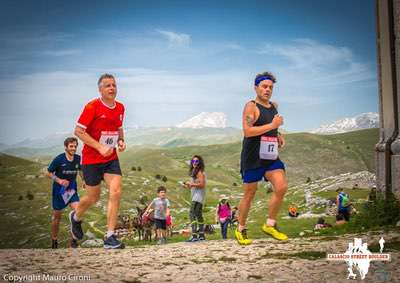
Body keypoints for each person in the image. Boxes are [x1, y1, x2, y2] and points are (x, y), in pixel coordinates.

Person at [70, 73, 126, 249]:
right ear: (100, 89)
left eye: (114, 85)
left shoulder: (120, 108)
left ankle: (109, 236)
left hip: (111, 158)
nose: (112, 88)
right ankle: (76, 217)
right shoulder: (92, 106)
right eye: (108, 85)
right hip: (92, 159)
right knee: (93, 197)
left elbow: (118, 128)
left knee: (116, 191)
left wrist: (121, 141)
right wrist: (99, 147)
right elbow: (78, 131)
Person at [236, 71, 288, 245]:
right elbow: (248, 131)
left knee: (281, 186)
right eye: (264, 86)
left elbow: (271, 126)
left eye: (271, 87)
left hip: (270, 156)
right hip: (252, 157)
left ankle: (270, 225)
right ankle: (241, 228)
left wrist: (278, 134)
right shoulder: (250, 107)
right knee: (249, 194)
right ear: (256, 87)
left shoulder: (274, 106)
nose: (267, 90)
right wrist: (273, 125)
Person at [47, 137, 85, 249]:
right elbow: (48, 173)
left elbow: (80, 170)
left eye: (75, 146)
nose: (73, 148)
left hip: (71, 189)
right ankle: (54, 240)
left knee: (79, 212)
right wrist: (59, 180)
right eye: (71, 146)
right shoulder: (59, 159)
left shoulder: (78, 159)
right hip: (59, 190)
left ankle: (73, 240)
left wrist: (83, 180)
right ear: (66, 147)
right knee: (56, 218)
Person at [183, 155, 206, 242]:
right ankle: (201, 235)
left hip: (198, 196)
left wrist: (191, 184)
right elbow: (195, 185)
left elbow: (202, 184)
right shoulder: (194, 172)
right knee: (198, 215)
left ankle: (194, 235)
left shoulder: (199, 172)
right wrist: (188, 186)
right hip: (197, 195)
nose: (194, 163)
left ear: (199, 162)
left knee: (192, 214)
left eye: (196, 161)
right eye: (193, 161)